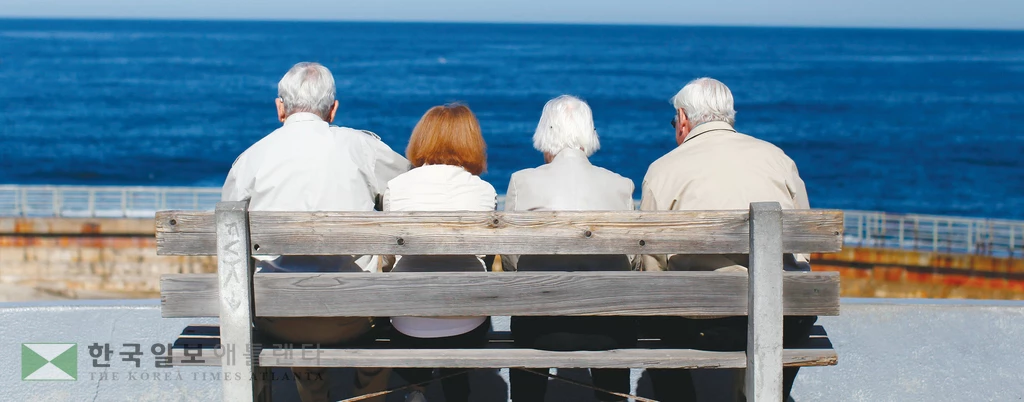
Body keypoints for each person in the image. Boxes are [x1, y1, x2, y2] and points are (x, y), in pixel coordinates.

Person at [221, 62, 409, 402]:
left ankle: (313, 392)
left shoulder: (250, 159)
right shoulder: (363, 148)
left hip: (278, 317)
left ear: (280, 107)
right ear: (333, 109)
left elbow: (227, 244)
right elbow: (411, 187)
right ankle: (366, 394)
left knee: (287, 282)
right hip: (354, 318)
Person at [639, 77, 816, 401]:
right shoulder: (778, 159)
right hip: (783, 318)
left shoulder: (663, 169)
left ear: (682, 118)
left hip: (704, 324)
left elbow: (652, 266)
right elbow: (804, 248)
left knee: (654, 311)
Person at [502, 95, 636, 402]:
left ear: (545, 133)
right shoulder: (620, 184)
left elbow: (511, 258)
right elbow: (632, 261)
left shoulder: (522, 181)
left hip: (540, 326)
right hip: (609, 328)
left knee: (525, 312)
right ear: (589, 134)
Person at [383, 103, 496, 402]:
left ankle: (417, 388)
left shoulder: (396, 187)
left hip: (409, 323)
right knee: (462, 307)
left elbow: (389, 258)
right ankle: (456, 392)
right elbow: (486, 253)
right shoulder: (484, 191)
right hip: (467, 323)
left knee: (410, 300)